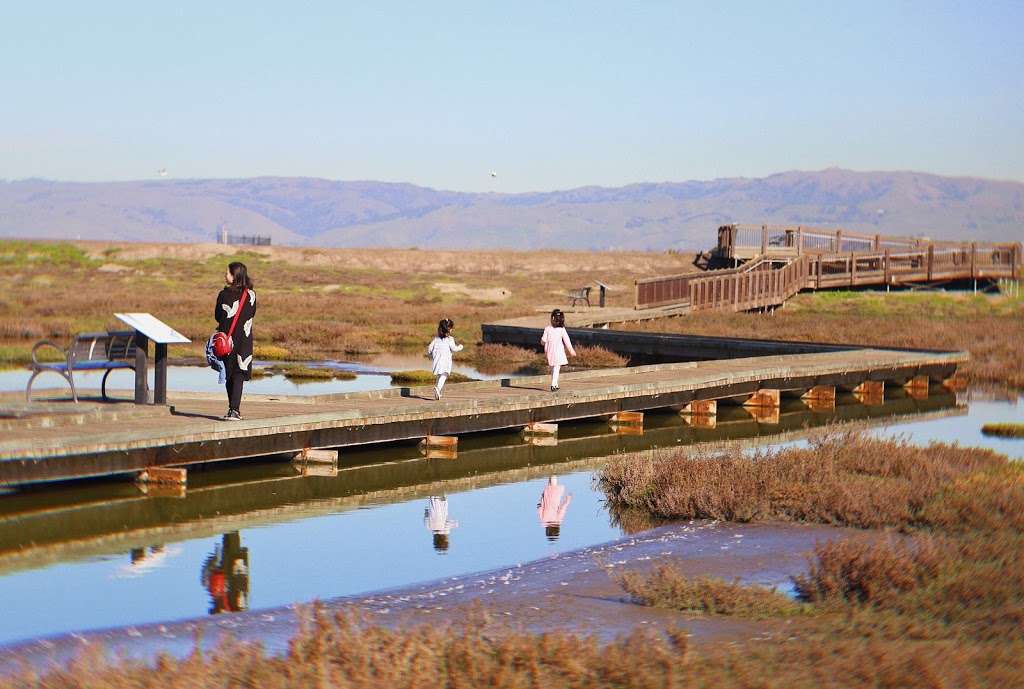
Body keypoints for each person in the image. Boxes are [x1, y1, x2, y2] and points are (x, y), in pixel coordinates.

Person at [214, 262, 257, 421]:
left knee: (229, 373)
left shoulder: (223, 295)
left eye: (228, 273)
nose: (225, 275)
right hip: (244, 340)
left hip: (227, 341)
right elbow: (252, 314)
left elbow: (218, 316)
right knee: (239, 374)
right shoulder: (251, 295)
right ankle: (234, 410)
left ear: (235, 275)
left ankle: (232, 409)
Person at [427, 318, 463, 400]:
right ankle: (438, 389)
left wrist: (430, 354)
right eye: (451, 328)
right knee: (444, 374)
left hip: (437, 360)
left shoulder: (436, 339)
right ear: (449, 329)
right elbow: (454, 348)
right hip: (445, 361)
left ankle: (438, 391)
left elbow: (429, 348)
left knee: (439, 375)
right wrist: (461, 347)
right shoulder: (450, 339)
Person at [541, 309, 575, 392]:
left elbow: (543, 340)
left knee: (554, 368)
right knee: (556, 368)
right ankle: (553, 385)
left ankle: (555, 384)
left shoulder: (547, 329)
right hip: (558, 352)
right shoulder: (562, 329)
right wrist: (571, 350)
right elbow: (567, 341)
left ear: (552, 318)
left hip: (550, 351)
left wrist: (542, 342)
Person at [537, 476, 572, 542]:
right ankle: (551, 476)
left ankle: (553, 475)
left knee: (554, 485)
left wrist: (568, 499)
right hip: (546, 495)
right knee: (550, 486)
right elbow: (539, 508)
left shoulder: (558, 520)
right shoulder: (543, 521)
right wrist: (542, 498)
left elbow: (563, 508)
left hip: (555, 496)